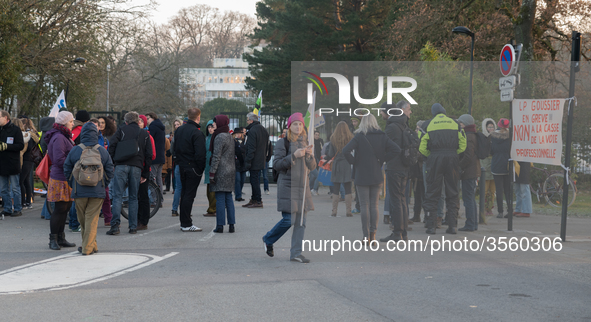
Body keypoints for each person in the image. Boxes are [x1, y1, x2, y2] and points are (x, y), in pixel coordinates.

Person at [262, 113, 315, 263]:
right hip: (288, 187)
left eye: (300, 124)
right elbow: (277, 165)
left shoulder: (306, 142)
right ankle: (268, 239)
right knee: (289, 220)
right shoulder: (282, 143)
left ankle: (296, 253)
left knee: (301, 222)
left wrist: (310, 156)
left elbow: (312, 167)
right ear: (289, 126)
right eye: (295, 124)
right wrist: (294, 156)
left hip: (303, 187)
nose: (298, 126)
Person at [343, 114, 400, 242]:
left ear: (363, 123)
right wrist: (383, 159)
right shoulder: (382, 136)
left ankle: (365, 236)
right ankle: (373, 234)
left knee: (364, 206)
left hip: (361, 174)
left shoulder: (359, 136)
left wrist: (354, 162)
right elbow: (396, 150)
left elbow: (345, 150)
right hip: (376, 174)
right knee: (374, 205)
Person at [63, 122, 114, 255]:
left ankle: (86, 248)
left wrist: (72, 182)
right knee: (92, 219)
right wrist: (104, 183)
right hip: (97, 191)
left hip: (79, 190)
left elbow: (67, 167)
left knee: (83, 220)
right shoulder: (102, 150)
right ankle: (91, 246)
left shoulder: (76, 150)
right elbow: (110, 169)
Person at [419, 103, 466, 234]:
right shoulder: (455, 124)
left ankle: (431, 226)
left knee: (432, 193)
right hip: (452, 158)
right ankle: (452, 226)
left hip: (435, 158)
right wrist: (455, 154)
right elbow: (463, 144)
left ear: (433, 113)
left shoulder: (427, 124)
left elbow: (422, 147)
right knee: (453, 192)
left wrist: (431, 156)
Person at [107, 112, 153, 235]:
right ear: (138, 121)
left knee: (117, 196)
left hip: (121, 165)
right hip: (137, 166)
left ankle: (115, 226)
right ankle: (133, 226)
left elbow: (111, 147)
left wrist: (112, 162)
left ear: (126, 121)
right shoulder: (144, 133)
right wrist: (145, 173)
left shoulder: (121, 131)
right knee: (133, 197)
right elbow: (149, 154)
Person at [377, 100, 413, 242]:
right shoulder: (403, 124)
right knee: (402, 199)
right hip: (404, 166)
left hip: (395, 167)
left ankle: (397, 232)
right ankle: (403, 233)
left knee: (396, 200)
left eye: (382, 111)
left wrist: (384, 158)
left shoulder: (392, 127)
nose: (381, 114)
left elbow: (386, 146)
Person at [45, 111, 77, 250]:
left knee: (66, 208)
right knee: (59, 209)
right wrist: (73, 163)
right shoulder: (59, 137)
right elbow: (59, 159)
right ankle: (53, 239)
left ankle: (61, 237)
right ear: (64, 122)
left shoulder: (63, 135)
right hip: (60, 177)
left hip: (66, 177)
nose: (73, 124)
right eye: (71, 121)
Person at [174, 108, 206, 231]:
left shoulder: (179, 130)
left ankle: (184, 221)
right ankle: (186, 223)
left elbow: (175, 148)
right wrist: (200, 168)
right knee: (189, 195)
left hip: (182, 165)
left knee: (184, 193)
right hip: (192, 167)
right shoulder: (197, 133)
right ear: (198, 117)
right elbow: (200, 154)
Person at [208, 115, 236, 233]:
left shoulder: (219, 137)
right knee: (228, 198)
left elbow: (216, 156)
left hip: (221, 170)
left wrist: (212, 172)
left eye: (214, 122)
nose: (213, 125)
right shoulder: (230, 136)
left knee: (219, 198)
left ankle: (220, 225)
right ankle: (231, 225)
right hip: (230, 170)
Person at [457, 114, 481, 232]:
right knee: (470, 198)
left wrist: (460, 166)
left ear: (465, 124)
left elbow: (468, 155)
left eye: (460, 123)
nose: (459, 125)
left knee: (468, 199)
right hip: (472, 171)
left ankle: (470, 223)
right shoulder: (472, 135)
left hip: (469, 172)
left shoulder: (468, 136)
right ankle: (473, 223)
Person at [325, 121, 353, 217]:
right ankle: (348, 210)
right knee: (348, 188)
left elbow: (331, 154)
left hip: (337, 164)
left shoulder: (333, 138)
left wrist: (326, 158)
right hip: (347, 164)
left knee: (336, 188)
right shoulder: (350, 138)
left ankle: (334, 211)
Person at [0, 111, 25, 218]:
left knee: (15, 188)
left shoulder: (15, 130)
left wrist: (7, 147)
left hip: (12, 163)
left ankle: (18, 208)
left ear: (5, 118)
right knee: (3, 189)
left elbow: (20, 145)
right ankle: (7, 209)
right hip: (1, 164)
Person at [242, 112, 269, 208]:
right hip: (261, 159)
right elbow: (268, 146)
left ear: (252, 120)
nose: (247, 122)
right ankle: (254, 199)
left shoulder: (253, 130)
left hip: (254, 160)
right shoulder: (263, 130)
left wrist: (248, 161)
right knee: (255, 180)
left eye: (248, 120)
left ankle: (257, 200)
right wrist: (266, 158)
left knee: (254, 181)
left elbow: (251, 148)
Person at [137, 115, 157, 230]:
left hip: (144, 169)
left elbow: (153, 155)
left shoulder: (148, 137)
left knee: (143, 196)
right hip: (135, 169)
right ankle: (137, 218)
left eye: (141, 121)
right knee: (135, 196)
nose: (139, 123)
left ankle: (143, 221)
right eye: (137, 121)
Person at [97, 116, 116, 226]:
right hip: (94, 166)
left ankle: (108, 218)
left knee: (106, 194)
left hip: (105, 166)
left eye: (103, 122)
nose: (101, 124)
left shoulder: (109, 136)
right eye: (99, 123)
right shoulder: (93, 135)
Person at [490, 118, 511, 219]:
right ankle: (510, 211)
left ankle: (500, 212)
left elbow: (491, 151)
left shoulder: (493, 137)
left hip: (496, 164)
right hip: (507, 164)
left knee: (498, 190)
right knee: (508, 190)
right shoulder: (511, 137)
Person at [19, 118, 39, 210]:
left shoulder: (28, 135)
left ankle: (23, 202)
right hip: (30, 160)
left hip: (26, 159)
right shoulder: (33, 134)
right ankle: (28, 202)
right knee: (26, 181)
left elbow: (27, 147)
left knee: (21, 181)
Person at [146, 112, 166, 200]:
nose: (146, 120)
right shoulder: (161, 127)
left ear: (152, 118)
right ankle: (160, 199)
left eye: (148, 118)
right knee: (159, 179)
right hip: (161, 157)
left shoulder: (153, 127)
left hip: (154, 157)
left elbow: (150, 141)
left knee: (152, 179)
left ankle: (154, 199)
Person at [481, 118, 496, 217]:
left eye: (492, 127)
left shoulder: (496, 137)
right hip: (485, 163)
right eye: (489, 127)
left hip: (494, 163)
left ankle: (490, 207)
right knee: (484, 189)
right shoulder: (482, 137)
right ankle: (483, 207)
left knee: (492, 190)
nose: (491, 129)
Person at [203, 120, 217, 217]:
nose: (210, 129)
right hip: (207, 167)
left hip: (214, 167)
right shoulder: (206, 138)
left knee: (213, 190)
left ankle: (213, 209)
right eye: (209, 127)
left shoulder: (216, 138)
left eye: (212, 127)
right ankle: (211, 208)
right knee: (209, 190)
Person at [170, 118, 183, 216]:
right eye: (175, 125)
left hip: (178, 162)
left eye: (178, 124)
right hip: (182, 162)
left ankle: (175, 209)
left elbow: (171, 149)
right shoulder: (183, 134)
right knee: (181, 187)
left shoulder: (175, 136)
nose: (176, 126)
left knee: (179, 187)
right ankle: (179, 209)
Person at [233, 127, 247, 201]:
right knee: (237, 180)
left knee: (242, 180)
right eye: (237, 133)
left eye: (239, 133)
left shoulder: (245, 141)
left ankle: (239, 192)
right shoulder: (233, 141)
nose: (238, 135)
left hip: (243, 163)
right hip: (236, 163)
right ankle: (238, 196)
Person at [309, 131, 324, 196]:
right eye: (316, 135)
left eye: (318, 135)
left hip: (319, 159)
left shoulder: (320, 141)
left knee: (317, 175)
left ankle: (315, 189)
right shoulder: (312, 141)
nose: (317, 136)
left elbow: (322, 149)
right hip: (313, 159)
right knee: (313, 176)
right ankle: (311, 189)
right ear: (313, 135)